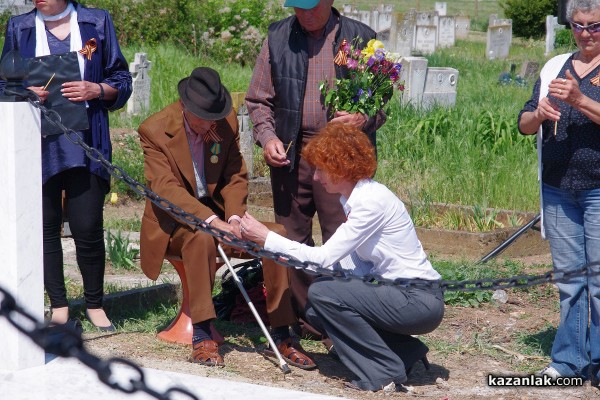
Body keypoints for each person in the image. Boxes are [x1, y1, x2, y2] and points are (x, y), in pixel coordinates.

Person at [240, 122, 444, 391]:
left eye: (320, 169)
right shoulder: (354, 199)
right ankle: (405, 352)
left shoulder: (370, 202)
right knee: (316, 309)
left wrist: (266, 238)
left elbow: (323, 259)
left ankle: (382, 373)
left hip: (418, 301)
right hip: (403, 296)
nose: (315, 177)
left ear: (340, 169)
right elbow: (349, 266)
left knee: (323, 294)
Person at [137, 67, 315, 369]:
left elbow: (235, 175)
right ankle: (203, 335)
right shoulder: (154, 130)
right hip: (176, 224)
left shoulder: (224, 121)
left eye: (215, 116)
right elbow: (165, 190)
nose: (211, 125)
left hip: (221, 217)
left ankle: (283, 333)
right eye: (204, 118)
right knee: (202, 237)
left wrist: (233, 218)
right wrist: (211, 221)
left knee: (276, 235)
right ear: (185, 108)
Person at [245, 0, 386, 342]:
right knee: (291, 234)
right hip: (293, 150)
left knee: (344, 237)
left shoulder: (362, 38)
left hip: (342, 155)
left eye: (311, 8)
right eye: (298, 8)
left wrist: (362, 119)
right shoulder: (278, 36)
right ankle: (309, 319)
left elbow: (382, 102)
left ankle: (347, 320)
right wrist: (267, 137)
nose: (304, 15)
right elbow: (258, 99)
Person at [0, 0, 132, 330]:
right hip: (37, 144)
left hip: (87, 145)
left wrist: (97, 89)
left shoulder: (96, 22)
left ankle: (94, 303)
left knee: (87, 227)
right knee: (45, 229)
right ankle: (58, 305)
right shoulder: (19, 27)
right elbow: (4, 82)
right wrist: (22, 90)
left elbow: (121, 78)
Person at [517, 0, 600, 386]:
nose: (585, 33)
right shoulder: (554, 65)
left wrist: (579, 100)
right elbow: (524, 121)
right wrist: (540, 113)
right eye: (578, 25)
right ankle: (569, 363)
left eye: (595, 26)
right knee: (570, 280)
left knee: (599, 281)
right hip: (558, 187)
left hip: (597, 188)